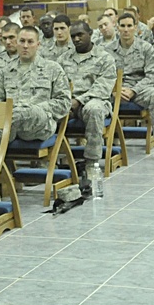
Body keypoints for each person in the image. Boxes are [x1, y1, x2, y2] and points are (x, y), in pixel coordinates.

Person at [0, 26, 71, 165]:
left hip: (40, 123)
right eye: (22, 41)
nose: (25, 46)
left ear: (38, 45)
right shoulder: (5, 71)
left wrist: (36, 108)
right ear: (17, 43)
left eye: (30, 42)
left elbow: (64, 103)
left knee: (24, 112)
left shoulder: (52, 69)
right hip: (11, 125)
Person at [58, 22, 115, 197]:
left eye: (80, 35)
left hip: (94, 101)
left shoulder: (104, 58)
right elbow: (57, 85)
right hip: (68, 102)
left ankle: (91, 163)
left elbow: (102, 88)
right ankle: (50, 161)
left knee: (94, 109)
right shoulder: (63, 59)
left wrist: (79, 101)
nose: (76, 39)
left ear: (90, 33)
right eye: (73, 36)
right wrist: (65, 101)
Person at [106, 13, 154, 162]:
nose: (126, 30)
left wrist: (134, 90)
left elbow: (153, 75)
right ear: (117, 28)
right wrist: (114, 90)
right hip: (115, 90)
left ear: (136, 27)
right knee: (95, 101)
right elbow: (103, 76)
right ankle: (106, 141)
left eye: (129, 26)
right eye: (122, 26)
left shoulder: (145, 48)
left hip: (139, 88)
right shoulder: (108, 50)